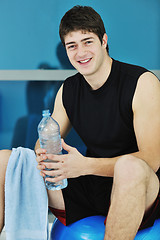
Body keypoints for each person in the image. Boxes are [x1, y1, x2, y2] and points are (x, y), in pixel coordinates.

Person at [0, 5, 160, 240]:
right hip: (90, 186)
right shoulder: (69, 89)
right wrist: (44, 155)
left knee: (130, 167)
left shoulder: (142, 82)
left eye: (88, 41)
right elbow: (45, 138)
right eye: (72, 45)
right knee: (5, 160)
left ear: (104, 41)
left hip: (139, 188)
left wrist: (84, 166)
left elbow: (152, 160)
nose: (80, 52)